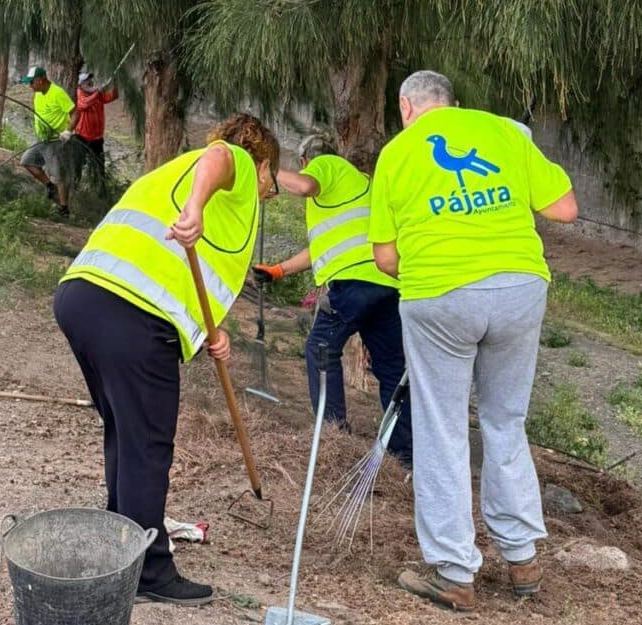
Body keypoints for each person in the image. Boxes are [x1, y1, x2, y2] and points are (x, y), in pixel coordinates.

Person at [368, 70, 578, 611]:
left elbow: (385, 258)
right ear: (453, 105)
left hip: (439, 294)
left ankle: (456, 573)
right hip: (520, 287)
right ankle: (523, 559)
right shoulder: (505, 131)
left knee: (442, 429)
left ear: (406, 106)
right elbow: (564, 208)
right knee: (506, 421)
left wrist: (436, 276)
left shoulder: (396, 152)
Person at [53, 113, 281, 606]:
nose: (270, 193)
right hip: (130, 314)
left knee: (125, 430)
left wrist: (207, 332)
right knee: (148, 445)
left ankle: (123, 544)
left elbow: (185, 273)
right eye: (273, 182)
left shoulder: (176, 174)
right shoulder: (233, 160)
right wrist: (196, 208)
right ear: (263, 165)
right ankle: (148, 571)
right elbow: (222, 158)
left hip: (84, 297)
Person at [252, 134, 412, 465]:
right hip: (386, 285)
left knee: (320, 350)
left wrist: (264, 168)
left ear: (305, 162)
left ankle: (334, 433)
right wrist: (279, 270)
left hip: (352, 285)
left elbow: (305, 186)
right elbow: (322, 249)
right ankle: (404, 452)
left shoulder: (328, 165)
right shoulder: (359, 188)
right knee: (391, 367)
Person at [19, 66, 78, 216]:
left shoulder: (57, 93)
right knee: (27, 161)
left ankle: (64, 208)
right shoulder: (38, 93)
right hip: (42, 140)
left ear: (40, 80)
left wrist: (68, 132)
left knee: (58, 175)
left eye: (31, 82)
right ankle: (49, 186)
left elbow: (75, 113)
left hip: (56, 141)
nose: (30, 85)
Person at [73, 70, 119, 191]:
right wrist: (98, 92)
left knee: (99, 166)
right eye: (86, 81)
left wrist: (115, 82)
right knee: (78, 164)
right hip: (81, 137)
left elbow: (113, 96)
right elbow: (84, 105)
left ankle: (100, 190)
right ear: (80, 84)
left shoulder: (96, 94)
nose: (90, 82)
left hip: (97, 138)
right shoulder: (79, 93)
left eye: (90, 79)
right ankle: (74, 188)